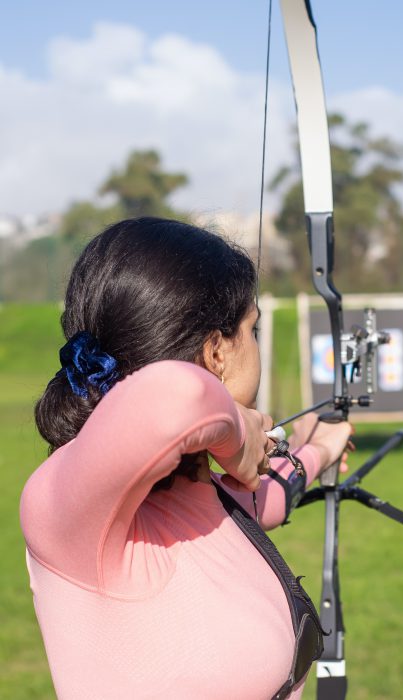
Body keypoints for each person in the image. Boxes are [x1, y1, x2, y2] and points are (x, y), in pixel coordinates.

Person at [20, 217, 352, 700]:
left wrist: (318, 447)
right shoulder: (65, 516)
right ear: (216, 351)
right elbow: (172, 397)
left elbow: (260, 502)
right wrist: (239, 437)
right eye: (252, 328)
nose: (255, 343)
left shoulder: (201, 497)